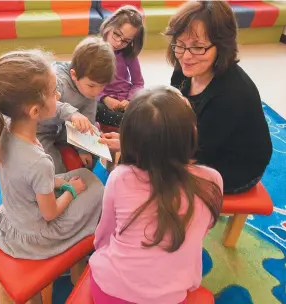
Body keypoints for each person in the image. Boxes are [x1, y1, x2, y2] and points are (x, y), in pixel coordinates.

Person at [90, 86, 223, 304]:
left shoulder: (121, 177)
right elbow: (200, 230)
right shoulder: (211, 179)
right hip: (170, 297)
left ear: (129, 139)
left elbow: (104, 235)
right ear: (192, 134)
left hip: (109, 291)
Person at [0, 50, 104, 260]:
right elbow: (50, 214)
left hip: (14, 218)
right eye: (52, 92)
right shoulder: (38, 162)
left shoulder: (2, 129)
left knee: (82, 177)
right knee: (98, 191)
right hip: (37, 238)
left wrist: (61, 183)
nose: (57, 96)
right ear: (33, 111)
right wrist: (71, 191)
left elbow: (28, 179)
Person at [165, 1, 272, 194]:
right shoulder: (185, 70)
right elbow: (173, 112)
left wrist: (139, 147)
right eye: (180, 44)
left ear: (222, 46)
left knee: (155, 178)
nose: (186, 56)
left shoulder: (231, 95)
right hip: (201, 143)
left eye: (198, 47)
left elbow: (191, 154)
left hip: (234, 169)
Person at [37, 37, 116, 173]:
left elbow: (88, 118)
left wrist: (83, 149)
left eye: (102, 86)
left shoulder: (89, 87)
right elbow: (45, 107)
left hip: (64, 130)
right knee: (52, 167)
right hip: (41, 130)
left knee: (100, 147)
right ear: (74, 75)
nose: (96, 92)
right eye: (92, 85)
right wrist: (72, 114)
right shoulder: (57, 81)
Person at [96, 5, 144, 128]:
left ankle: (132, 120)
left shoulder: (128, 54)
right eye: (116, 34)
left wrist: (129, 100)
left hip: (124, 99)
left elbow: (138, 83)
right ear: (109, 25)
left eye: (126, 41)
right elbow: (85, 83)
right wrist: (105, 99)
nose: (118, 43)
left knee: (147, 104)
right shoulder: (93, 50)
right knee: (93, 107)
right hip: (101, 99)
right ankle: (131, 122)